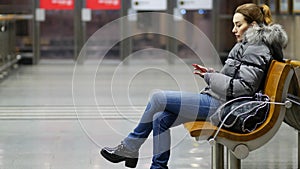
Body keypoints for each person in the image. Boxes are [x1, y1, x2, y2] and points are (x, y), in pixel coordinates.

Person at [100, 3, 288, 169]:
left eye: (238, 25)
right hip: (222, 101)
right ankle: (157, 166)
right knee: (159, 117)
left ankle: (130, 147)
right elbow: (236, 81)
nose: (233, 29)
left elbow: (243, 88)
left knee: (158, 98)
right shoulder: (249, 46)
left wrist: (209, 78)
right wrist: (212, 74)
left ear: (253, 26)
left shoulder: (256, 48)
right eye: (234, 25)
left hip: (225, 107)